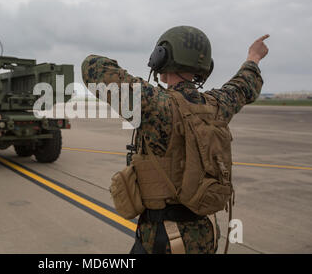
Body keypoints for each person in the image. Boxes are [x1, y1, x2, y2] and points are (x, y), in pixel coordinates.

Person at [81, 26, 269, 254]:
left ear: (162, 57)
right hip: (206, 232)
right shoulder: (217, 104)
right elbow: (243, 85)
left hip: (164, 238)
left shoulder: (155, 104)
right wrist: (253, 57)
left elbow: (92, 67)